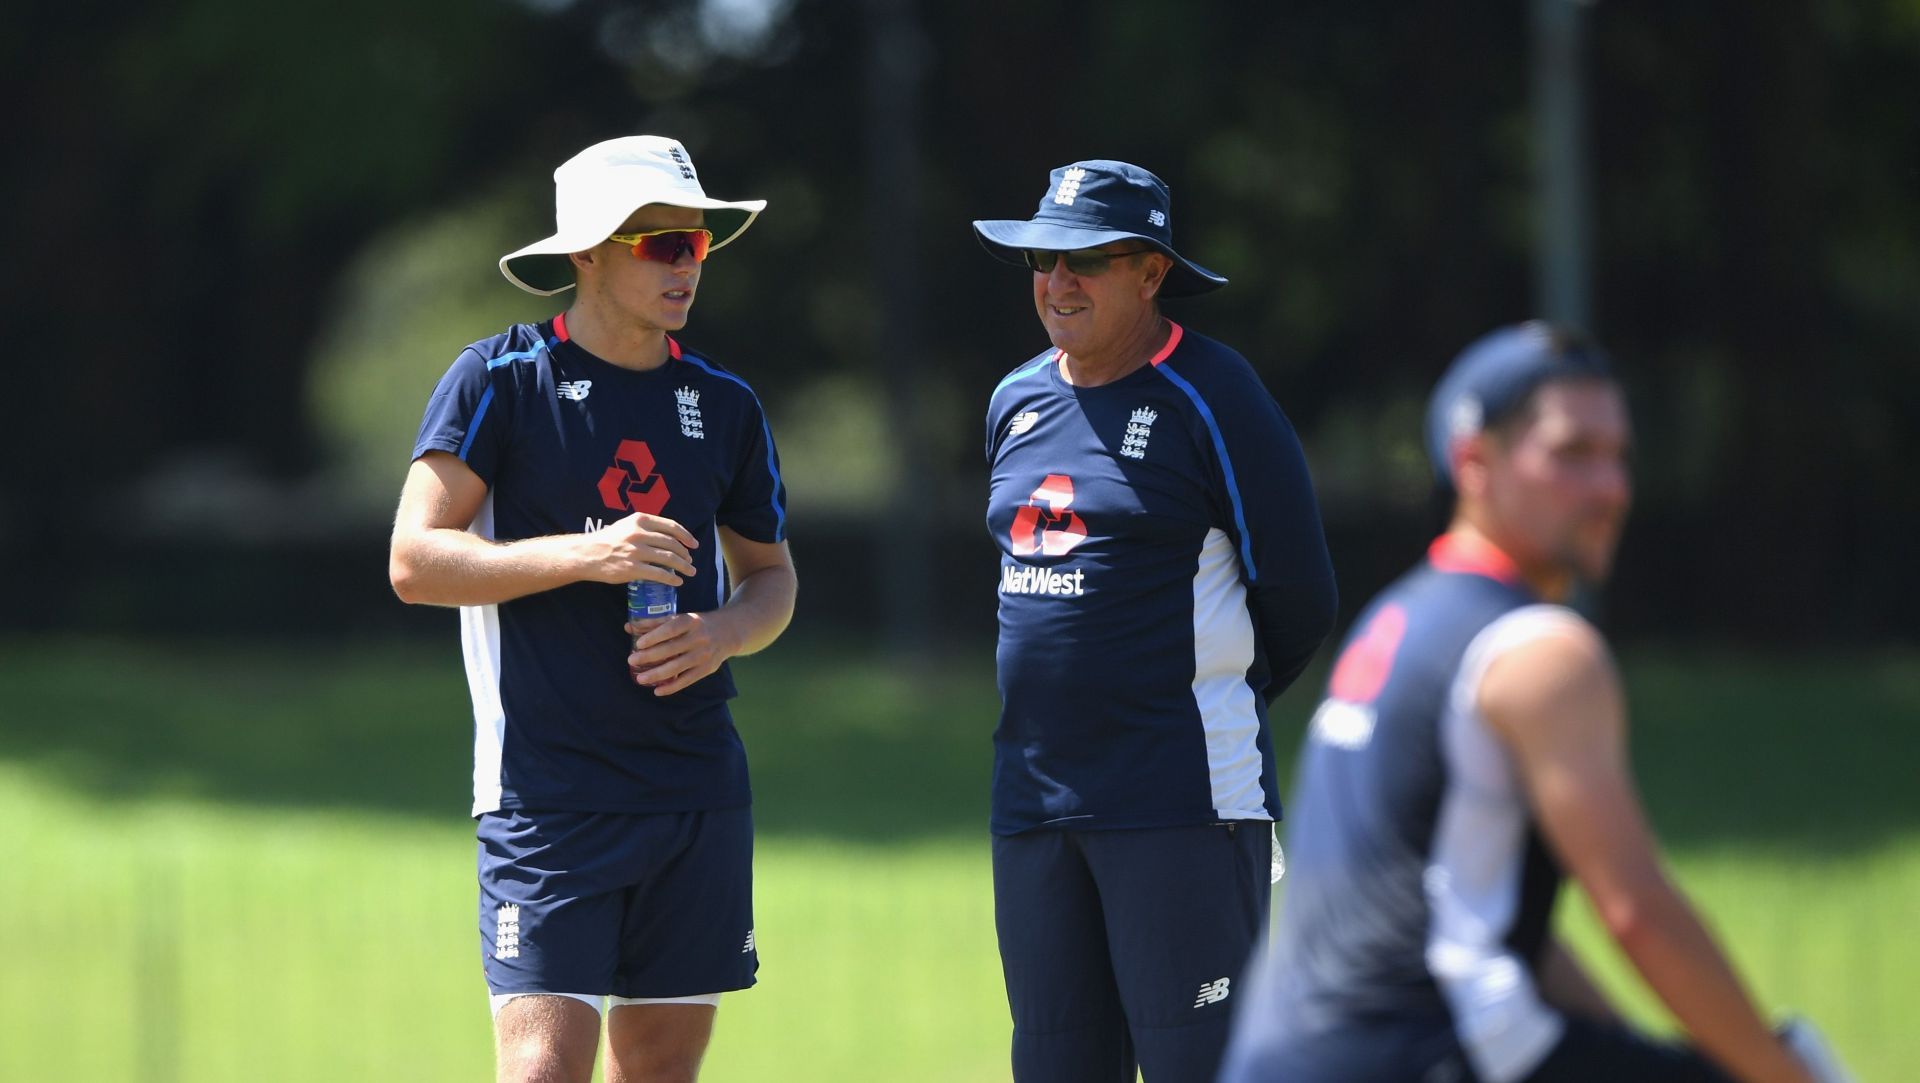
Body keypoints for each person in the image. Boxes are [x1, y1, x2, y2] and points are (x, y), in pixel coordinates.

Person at [1217, 323, 1841, 1083]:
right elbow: (1638, 910)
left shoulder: (1400, 619)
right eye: (1573, 453)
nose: (1610, 487)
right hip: (1426, 1051)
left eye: (1618, 457)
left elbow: (1498, 925)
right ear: (1475, 461)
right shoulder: (1540, 650)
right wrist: (1782, 1075)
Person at [388, 135, 796, 1083]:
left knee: (658, 1068)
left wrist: (723, 633)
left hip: (694, 786)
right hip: (546, 793)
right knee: (542, 1069)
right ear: (587, 253)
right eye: (660, 244)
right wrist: (590, 554)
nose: (686, 265)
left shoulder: (724, 403)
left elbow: (772, 577)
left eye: (698, 244)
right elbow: (414, 559)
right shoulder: (498, 379)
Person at [972, 160, 1339, 1083]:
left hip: (1179, 803)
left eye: (1087, 261)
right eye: (1043, 261)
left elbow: (1299, 596)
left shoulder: (1214, 394)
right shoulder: (1015, 398)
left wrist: (1196, 705)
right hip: (1033, 804)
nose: (1057, 283)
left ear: (1151, 272)